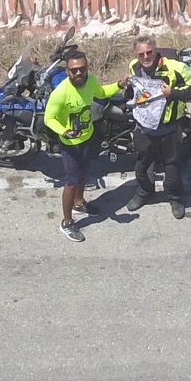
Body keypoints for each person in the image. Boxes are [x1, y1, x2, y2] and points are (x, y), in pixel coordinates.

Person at [41, 45, 122, 242]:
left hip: (88, 136)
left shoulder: (90, 81)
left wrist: (119, 84)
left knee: (85, 173)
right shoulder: (61, 93)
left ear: (87, 68)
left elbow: (101, 93)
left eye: (82, 68)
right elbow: (49, 119)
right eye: (74, 70)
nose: (79, 73)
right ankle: (67, 222)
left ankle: (79, 203)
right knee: (71, 182)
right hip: (71, 144)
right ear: (67, 70)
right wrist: (65, 131)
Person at [125, 36, 191, 219]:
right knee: (142, 166)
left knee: (172, 168)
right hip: (144, 128)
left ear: (155, 51)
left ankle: (175, 198)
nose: (145, 57)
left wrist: (172, 93)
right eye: (141, 53)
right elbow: (134, 92)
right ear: (137, 54)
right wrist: (126, 87)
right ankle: (144, 193)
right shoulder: (134, 66)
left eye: (149, 52)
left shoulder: (177, 68)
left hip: (169, 129)